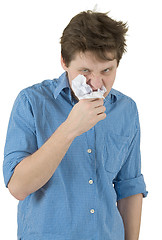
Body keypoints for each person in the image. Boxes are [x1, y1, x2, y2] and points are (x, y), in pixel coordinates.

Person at [3, 10, 148, 240]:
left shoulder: (126, 110)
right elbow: (18, 188)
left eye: (107, 70)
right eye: (85, 71)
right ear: (64, 61)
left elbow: (129, 188)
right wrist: (70, 128)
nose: (96, 84)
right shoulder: (31, 102)